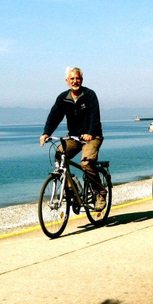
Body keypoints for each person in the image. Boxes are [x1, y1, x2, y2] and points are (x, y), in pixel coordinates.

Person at [39, 67, 107, 210]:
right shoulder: (63, 98)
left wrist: (90, 133)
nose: (75, 81)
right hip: (74, 137)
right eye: (72, 79)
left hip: (92, 136)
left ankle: (100, 192)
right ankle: (72, 189)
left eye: (77, 78)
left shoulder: (89, 95)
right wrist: (46, 133)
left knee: (86, 164)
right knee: (60, 155)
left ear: (81, 80)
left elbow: (95, 116)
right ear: (66, 81)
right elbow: (54, 116)